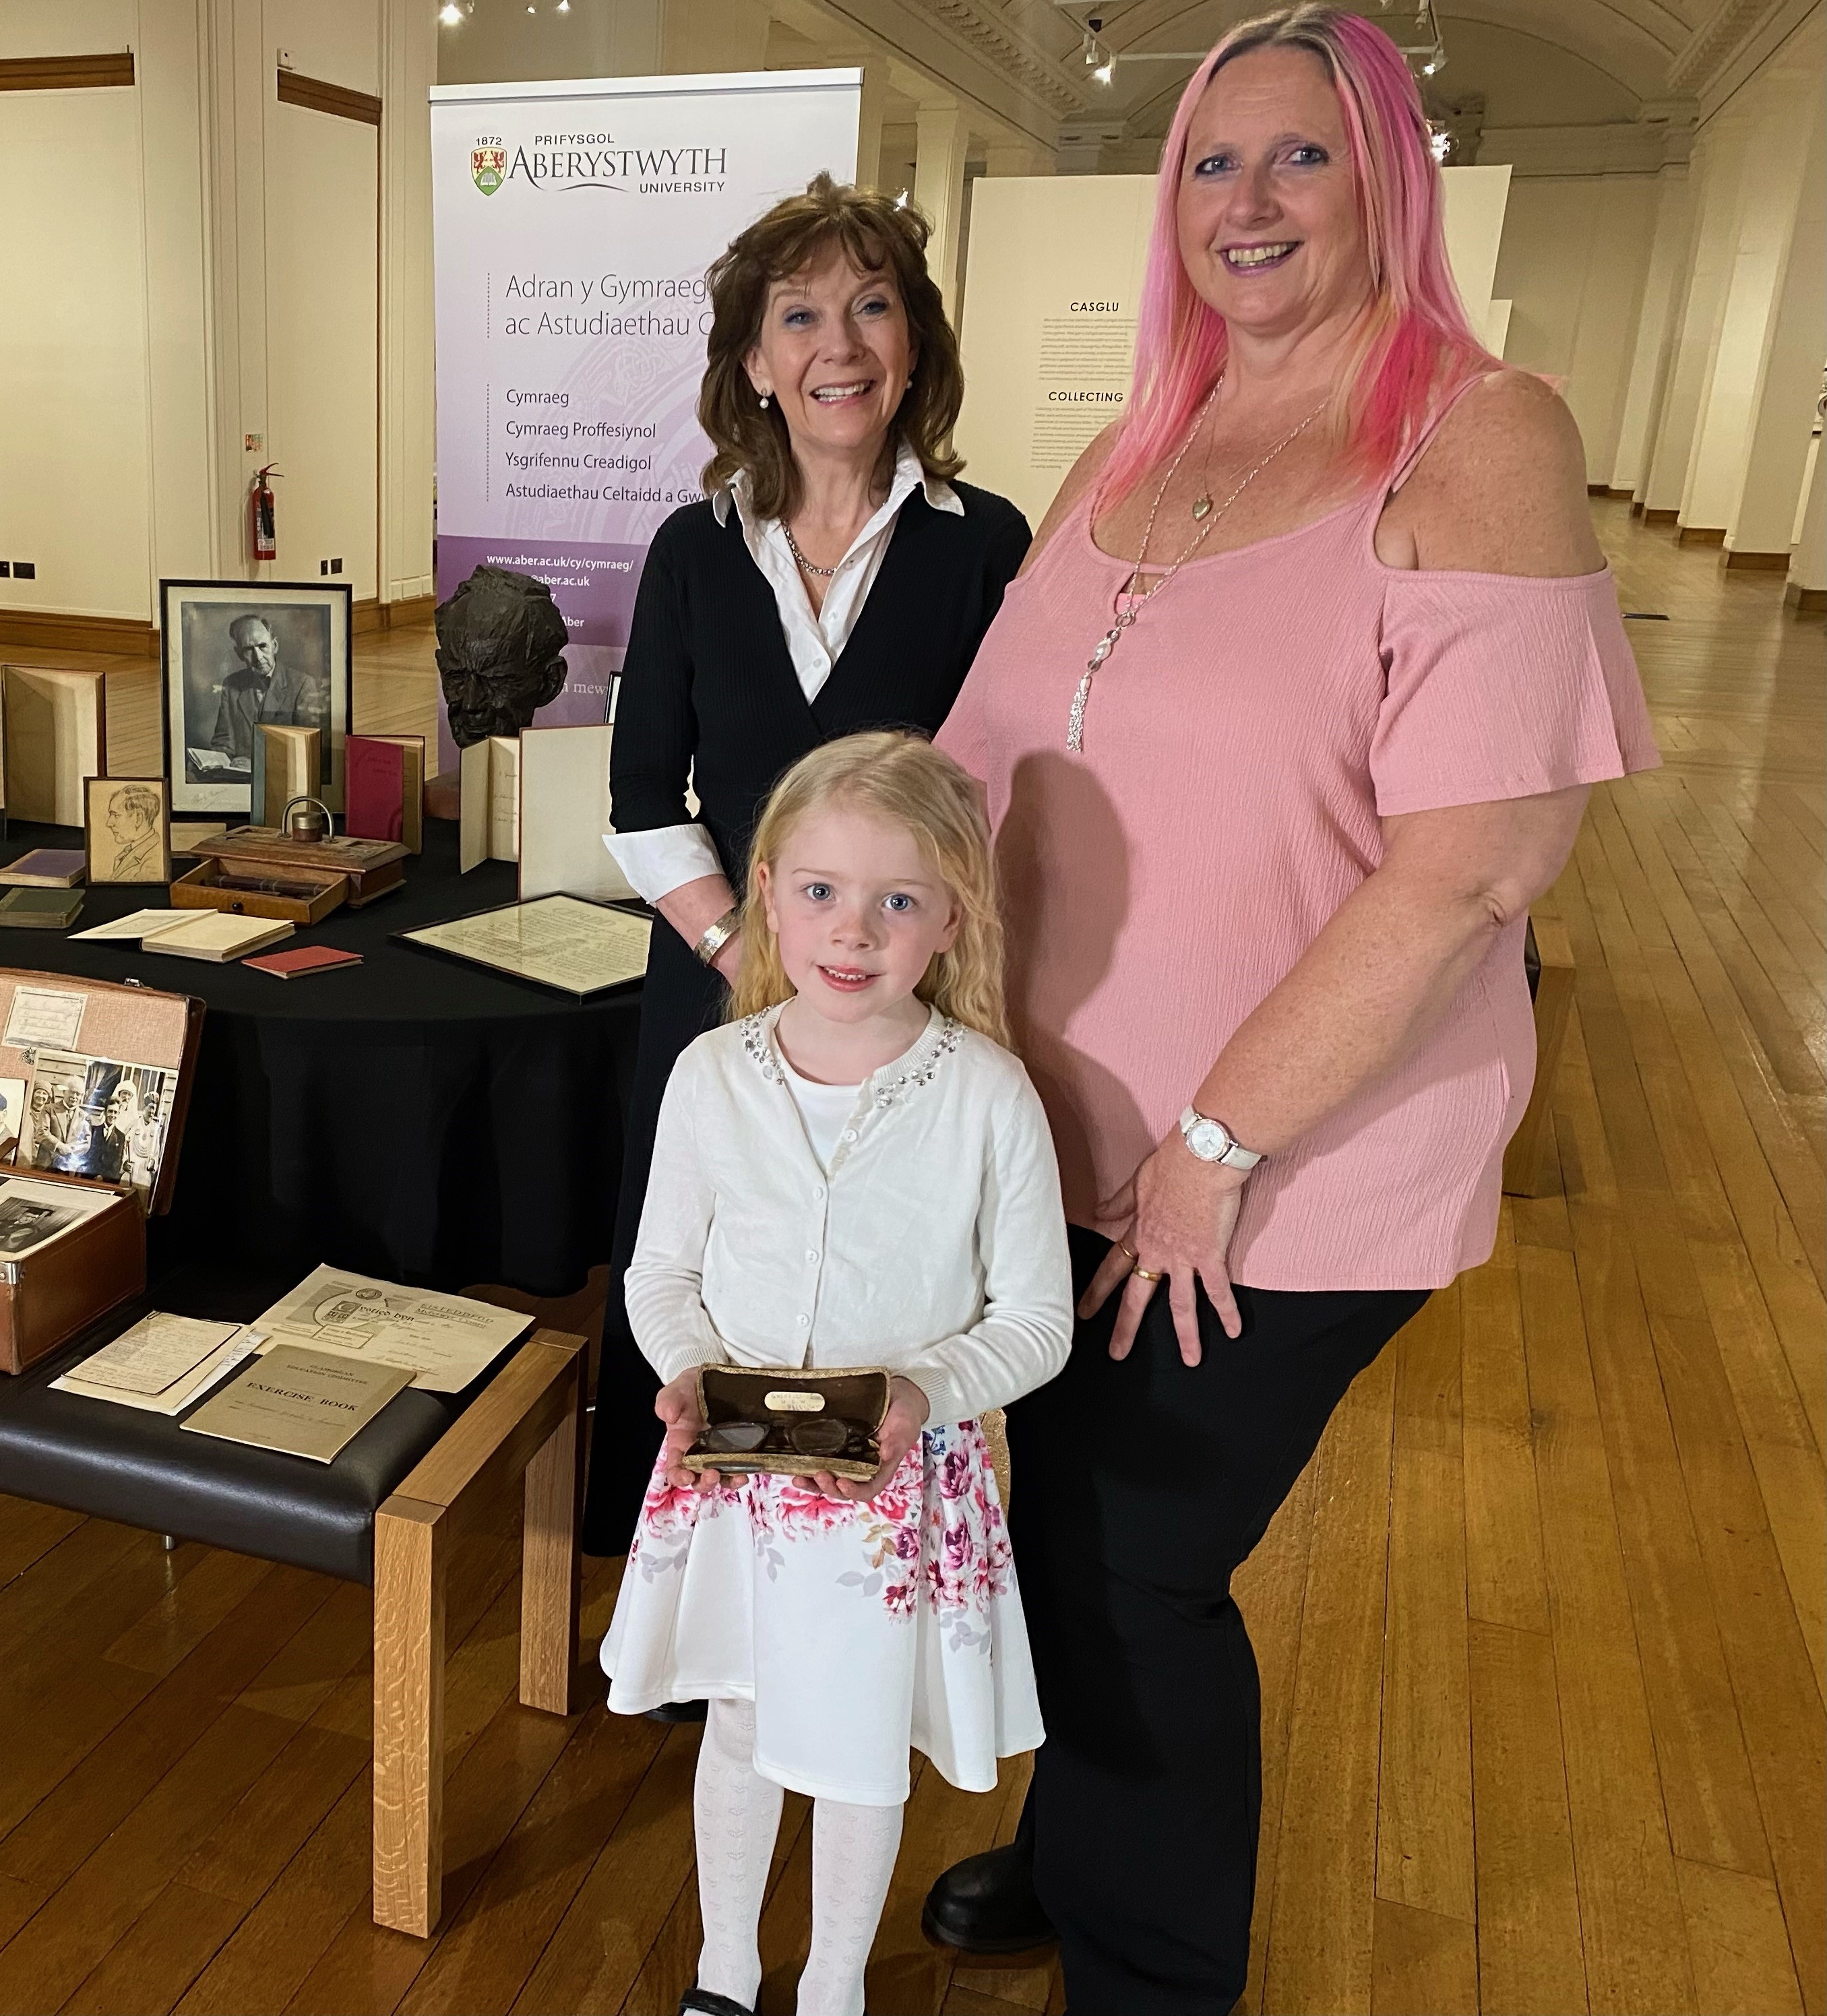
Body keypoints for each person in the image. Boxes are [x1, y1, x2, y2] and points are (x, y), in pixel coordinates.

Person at [917, 10, 1660, 2009]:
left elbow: (1476, 868)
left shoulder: (1478, 433)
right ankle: (1076, 1850)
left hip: (1275, 1166)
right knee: (1051, 1519)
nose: (1247, 205)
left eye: (1300, 159)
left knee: (1130, 1562)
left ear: (1387, 180)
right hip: (1051, 1136)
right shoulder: (1136, 438)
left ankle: (1153, 1974)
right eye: (1212, 166)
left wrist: (1212, 1151)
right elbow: (974, 767)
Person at [589, 173, 1033, 1563]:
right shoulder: (691, 549)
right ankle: (692, 1559)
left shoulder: (986, 549)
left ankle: (863, 1563)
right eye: (800, 316)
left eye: (872, 305)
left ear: (914, 348)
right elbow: (640, 797)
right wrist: (750, 950)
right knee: (711, 1261)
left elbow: (1001, 806)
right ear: (755, 365)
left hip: (909, 1003)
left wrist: (880, 967)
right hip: (720, 983)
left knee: (876, 1273)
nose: (838, 343)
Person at [600, 732, 1072, 2016]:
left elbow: (1038, 1320)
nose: (850, 930)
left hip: (896, 1497)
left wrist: (925, 1391)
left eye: (895, 900)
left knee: (860, 1752)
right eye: (818, 891)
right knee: (744, 1725)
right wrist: (690, 1368)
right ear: (763, 891)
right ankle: (723, 1972)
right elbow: (661, 1274)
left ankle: (833, 1985)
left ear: (947, 921)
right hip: (740, 1484)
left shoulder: (987, 1097)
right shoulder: (711, 1078)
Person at [205, 613, 329, 773]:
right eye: (249, 649)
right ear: (239, 654)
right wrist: (215, 760)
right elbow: (223, 742)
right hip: (238, 774)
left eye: (263, 646)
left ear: (275, 646)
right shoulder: (231, 685)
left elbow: (307, 749)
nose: (258, 657)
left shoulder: (303, 684)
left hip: (285, 774)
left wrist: (259, 765)